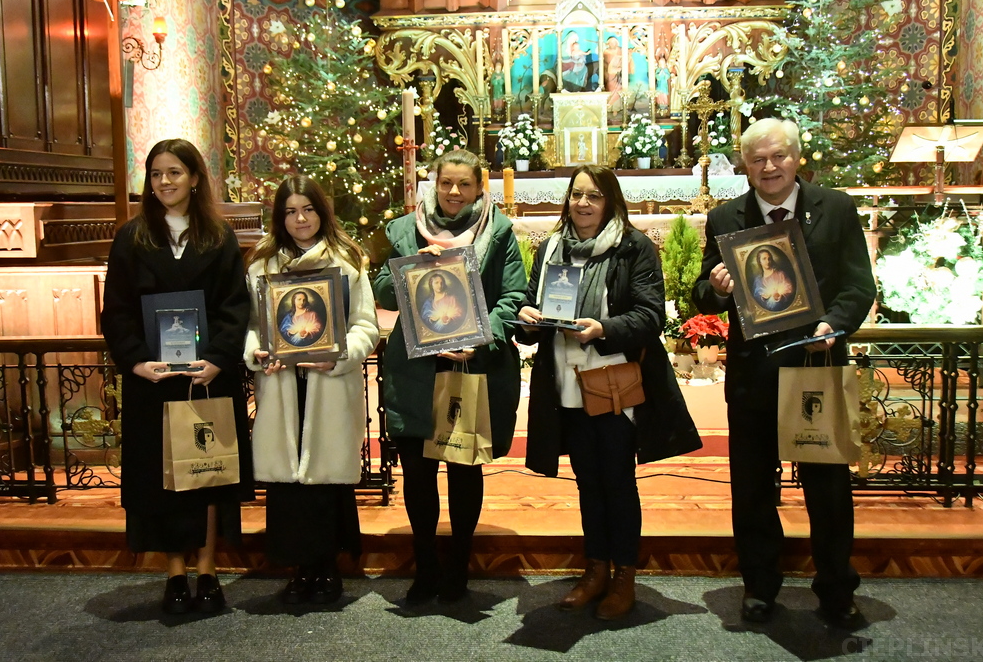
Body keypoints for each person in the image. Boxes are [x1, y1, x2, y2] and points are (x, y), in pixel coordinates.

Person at [692, 118, 877, 627]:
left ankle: (837, 587)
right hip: (754, 375)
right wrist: (718, 284)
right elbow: (702, 293)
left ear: (796, 158)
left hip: (816, 366)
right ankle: (759, 585)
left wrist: (832, 324)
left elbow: (858, 287)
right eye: (758, 159)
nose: (769, 167)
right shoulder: (726, 216)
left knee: (829, 488)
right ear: (744, 164)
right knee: (752, 489)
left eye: (778, 156)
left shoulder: (834, 207)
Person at [517, 165, 701, 620]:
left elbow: (650, 315)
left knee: (617, 482)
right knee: (586, 481)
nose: (583, 203)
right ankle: (595, 568)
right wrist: (527, 315)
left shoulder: (632, 248)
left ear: (610, 201)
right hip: (564, 382)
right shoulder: (552, 247)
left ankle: (624, 577)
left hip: (613, 383)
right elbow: (531, 302)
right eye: (577, 195)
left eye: (594, 196)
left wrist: (604, 329)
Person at [101, 138, 253, 615]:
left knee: (208, 476)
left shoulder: (219, 237)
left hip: (207, 378)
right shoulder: (131, 237)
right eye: (156, 174)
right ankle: (174, 574)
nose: (164, 182)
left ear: (194, 178)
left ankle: (207, 570)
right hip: (154, 381)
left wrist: (219, 358)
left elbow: (235, 309)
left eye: (174, 172)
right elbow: (118, 312)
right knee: (162, 479)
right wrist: (136, 361)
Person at [374, 149, 526, 605]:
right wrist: (408, 270)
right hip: (416, 369)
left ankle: (458, 564)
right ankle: (425, 566)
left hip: (469, 364)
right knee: (418, 473)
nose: (455, 193)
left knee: (463, 468)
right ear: (433, 184)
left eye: (464, 184)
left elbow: (514, 296)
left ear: (480, 186)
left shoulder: (496, 231)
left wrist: (481, 337)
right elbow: (378, 288)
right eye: (446, 184)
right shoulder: (403, 230)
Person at [244, 175, 380, 605]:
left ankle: (326, 568)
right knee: (288, 485)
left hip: (327, 384)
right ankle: (298, 569)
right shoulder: (260, 267)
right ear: (279, 217)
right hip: (282, 386)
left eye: (307, 209)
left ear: (322, 211)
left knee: (324, 481)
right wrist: (257, 352)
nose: (300, 219)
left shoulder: (347, 261)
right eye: (290, 211)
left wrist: (338, 356)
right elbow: (251, 326)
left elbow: (366, 325)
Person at [750, 247, 794, 311]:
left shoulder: (780, 274)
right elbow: (756, 296)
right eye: (764, 259)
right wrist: (763, 297)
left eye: (769, 258)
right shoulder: (758, 280)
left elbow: (789, 288)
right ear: (759, 261)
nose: (767, 261)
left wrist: (780, 296)